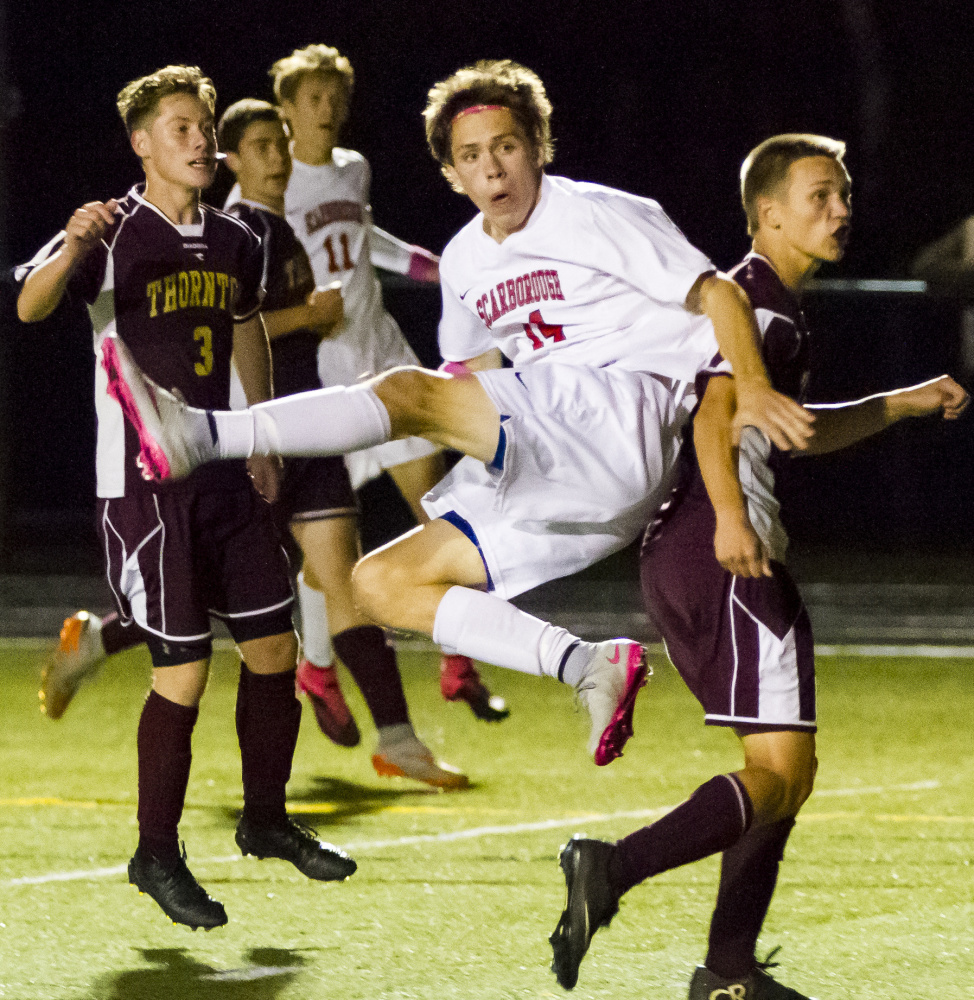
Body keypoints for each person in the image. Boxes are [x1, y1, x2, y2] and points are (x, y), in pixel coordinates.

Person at [100, 60, 816, 767]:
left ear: (538, 145)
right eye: (471, 156)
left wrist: (749, 386)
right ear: (452, 173)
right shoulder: (468, 258)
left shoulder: (596, 212)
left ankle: (203, 432)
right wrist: (480, 459)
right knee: (378, 584)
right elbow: (469, 370)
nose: (493, 170)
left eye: (507, 147)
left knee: (407, 394)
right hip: (573, 461)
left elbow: (721, 296)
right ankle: (586, 665)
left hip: (624, 416)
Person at [547, 134, 969, 998]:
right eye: (820, 195)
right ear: (767, 213)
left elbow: (793, 430)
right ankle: (611, 869)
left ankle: (729, 973)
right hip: (720, 551)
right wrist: (734, 521)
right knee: (779, 776)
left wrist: (905, 401)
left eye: (844, 194)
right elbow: (713, 419)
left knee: (787, 775)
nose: (841, 209)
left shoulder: (771, 309)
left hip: (700, 552)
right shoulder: (754, 306)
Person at [40, 98, 471, 791]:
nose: (279, 154)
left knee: (343, 582)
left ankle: (398, 740)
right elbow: (230, 318)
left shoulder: (280, 227)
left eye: (280, 142)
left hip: (297, 430)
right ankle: (102, 640)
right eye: (263, 144)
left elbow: (319, 289)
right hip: (232, 444)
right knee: (210, 599)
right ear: (234, 157)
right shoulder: (218, 228)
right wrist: (306, 317)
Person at [15, 66, 356, 930]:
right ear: (142, 144)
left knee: (274, 647)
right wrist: (67, 241)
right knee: (186, 666)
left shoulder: (240, 236)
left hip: (224, 469)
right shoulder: (113, 231)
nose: (200, 140)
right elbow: (28, 305)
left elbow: (244, 326)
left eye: (204, 125)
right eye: (181, 128)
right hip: (143, 483)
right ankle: (156, 854)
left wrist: (265, 432)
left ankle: (265, 820)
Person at [265, 44, 507, 723]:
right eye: (313, 97)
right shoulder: (268, 186)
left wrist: (424, 265)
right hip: (325, 386)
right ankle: (316, 666)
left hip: (387, 365)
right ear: (286, 108)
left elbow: (362, 234)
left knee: (444, 516)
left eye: (335, 96)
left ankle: (459, 661)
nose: (327, 109)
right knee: (325, 554)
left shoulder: (353, 167)